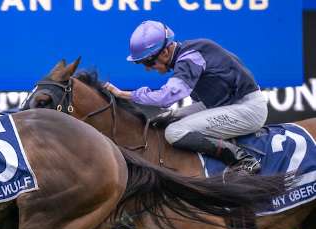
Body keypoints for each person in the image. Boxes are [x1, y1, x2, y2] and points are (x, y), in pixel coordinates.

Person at [103, 20, 267, 174]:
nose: (147, 69)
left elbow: (166, 98)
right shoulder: (188, 53)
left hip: (248, 109)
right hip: (225, 104)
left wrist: (125, 94)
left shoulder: (190, 57)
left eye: (148, 62)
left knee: (174, 132)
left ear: (165, 52)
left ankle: (241, 159)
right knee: (164, 119)